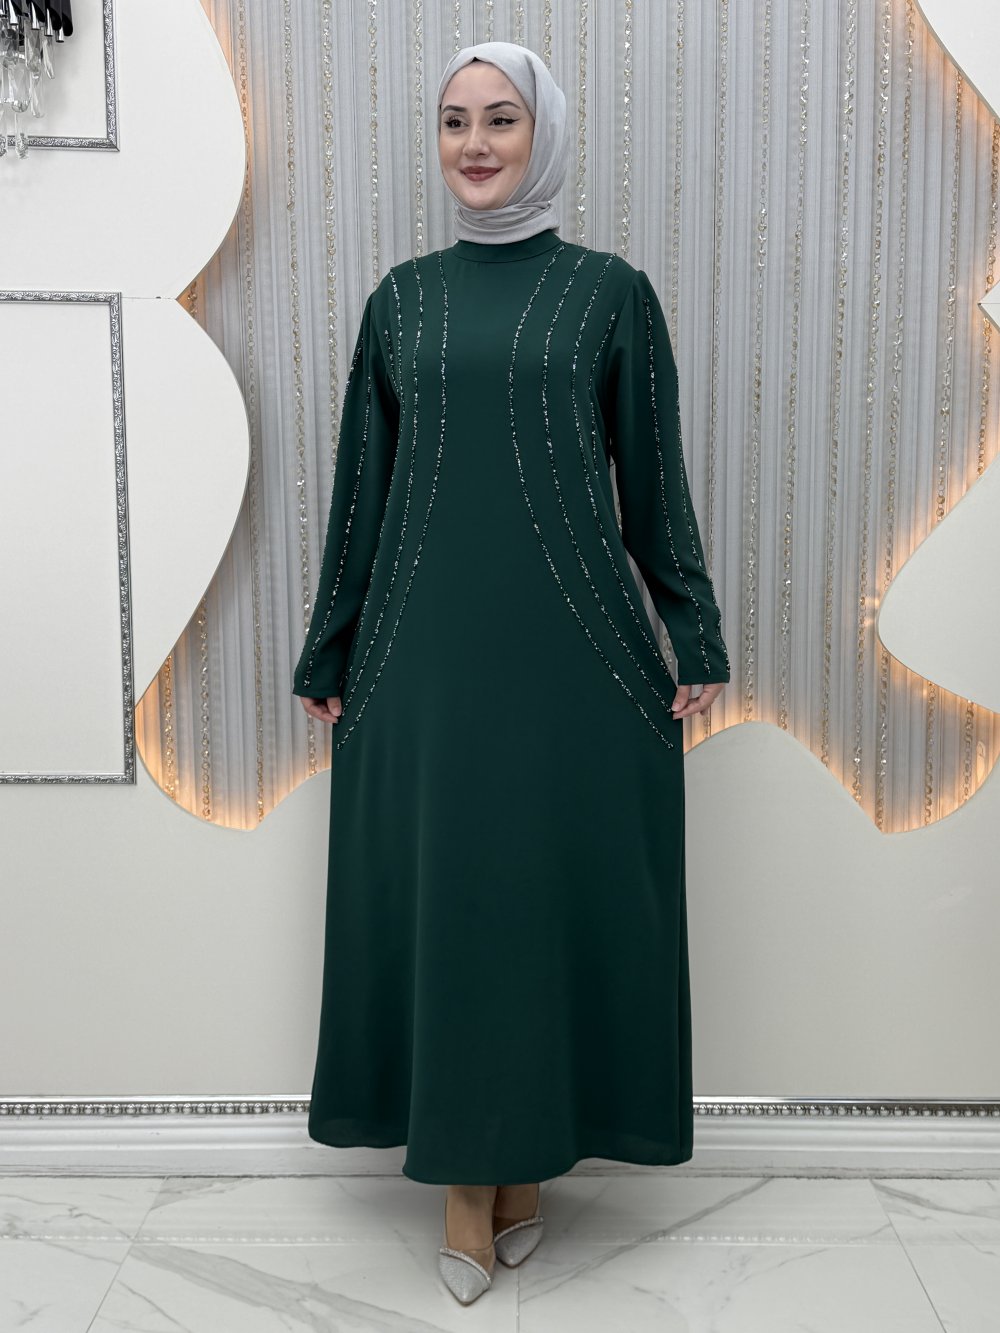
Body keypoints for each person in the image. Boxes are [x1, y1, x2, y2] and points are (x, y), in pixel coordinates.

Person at [293, 40, 729, 1307]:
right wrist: (330, 642)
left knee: (538, 898)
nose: (474, 144)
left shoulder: (608, 295)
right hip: (424, 653)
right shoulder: (402, 301)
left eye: (499, 120)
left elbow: (653, 475)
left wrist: (691, 630)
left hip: (569, 652)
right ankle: (465, 1187)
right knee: (455, 899)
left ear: (542, 135)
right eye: (452, 121)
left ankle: (523, 1165)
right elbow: (361, 491)